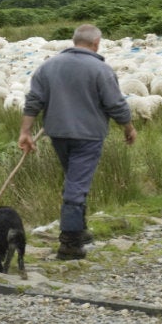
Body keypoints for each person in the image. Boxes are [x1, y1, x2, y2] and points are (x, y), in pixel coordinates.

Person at [19, 24, 136, 260]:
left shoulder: (48, 67)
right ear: (96, 43)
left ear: (74, 41)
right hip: (88, 135)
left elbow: (34, 100)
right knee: (77, 186)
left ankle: (79, 230)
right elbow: (115, 103)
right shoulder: (100, 69)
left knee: (74, 180)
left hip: (59, 134)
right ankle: (70, 243)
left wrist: (25, 132)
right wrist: (128, 127)